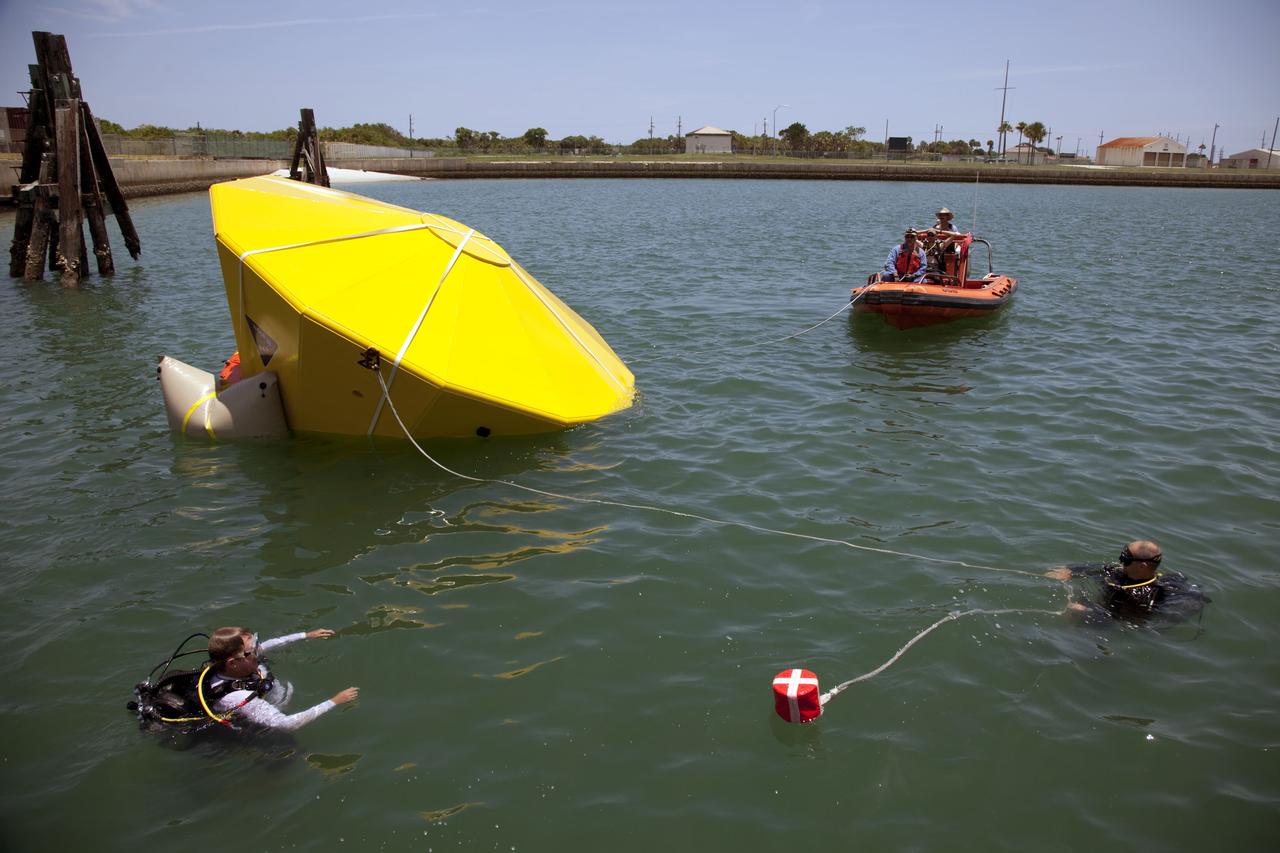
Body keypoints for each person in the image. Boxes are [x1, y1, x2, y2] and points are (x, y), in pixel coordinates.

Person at [205, 626, 359, 730]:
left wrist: (306, 635)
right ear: (232, 663)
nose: (258, 651)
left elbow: (271, 644)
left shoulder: (238, 663)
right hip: (262, 727)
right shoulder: (238, 698)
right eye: (252, 650)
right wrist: (334, 701)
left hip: (273, 700)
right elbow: (286, 724)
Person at [1044, 540, 1208, 623]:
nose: (1121, 562)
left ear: (1143, 566)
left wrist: (1088, 611)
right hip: (1106, 607)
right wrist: (1072, 571)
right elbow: (1102, 568)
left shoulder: (1142, 596)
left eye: (1126, 559)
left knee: (1075, 620)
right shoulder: (1123, 572)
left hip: (1112, 623)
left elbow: (1124, 620)